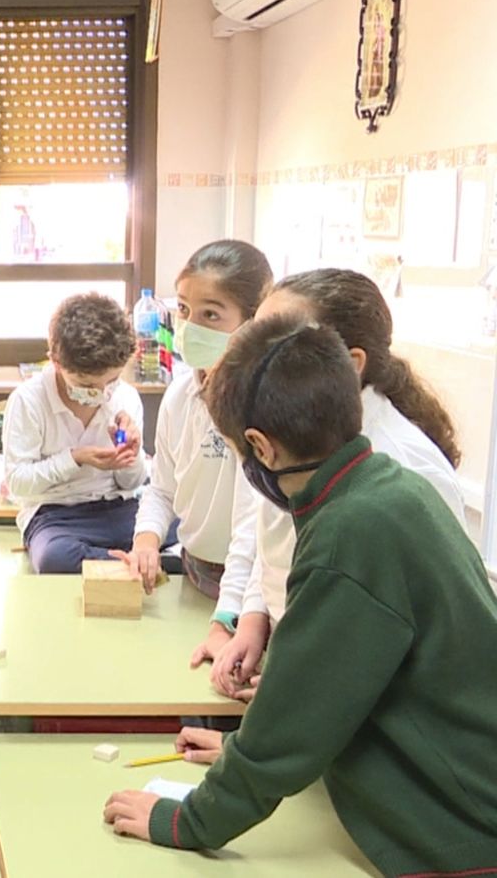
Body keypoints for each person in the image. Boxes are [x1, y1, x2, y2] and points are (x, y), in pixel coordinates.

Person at [103, 315, 497, 875]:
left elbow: (291, 724)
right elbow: (338, 692)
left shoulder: (349, 533)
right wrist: (262, 754)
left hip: (462, 829)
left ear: (260, 447)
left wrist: (187, 819)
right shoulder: (391, 489)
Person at [206, 268, 465, 699]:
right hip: (302, 669)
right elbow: (272, 543)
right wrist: (253, 620)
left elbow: (404, 644)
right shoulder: (287, 431)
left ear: (350, 363)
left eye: (282, 341)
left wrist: (303, 693)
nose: (258, 355)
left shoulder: (406, 471)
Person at [115, 242, 272, 656]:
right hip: (194, 571)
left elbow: (250, 530)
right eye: (183, 310)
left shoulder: (260, 408)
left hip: (245, 591)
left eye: (211, 315)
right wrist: (146, 541)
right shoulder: (182, 393)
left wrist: (227, 618)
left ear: (251, 323)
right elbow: (162, 487)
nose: (190, 325)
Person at [5, 293, 147, 573]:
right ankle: (136, 565)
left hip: (119, 507)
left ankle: (120, 562)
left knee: (179, 531)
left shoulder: (124, 398)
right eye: (86, 383)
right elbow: (18, 483)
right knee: (54, 558)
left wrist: (132, 454)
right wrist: (76, 458)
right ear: (54, 362)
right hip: (56, 515)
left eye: (112, 380)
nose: (101, 392)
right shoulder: (29, 400)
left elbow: (132, 483)